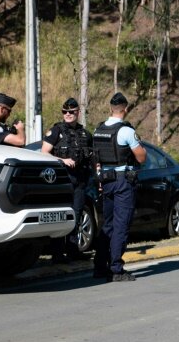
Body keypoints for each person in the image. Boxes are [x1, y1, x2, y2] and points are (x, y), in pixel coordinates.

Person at [91, 92, 146, 282]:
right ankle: (116, 269)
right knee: (121, 225)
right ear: (126, 109)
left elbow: (96, 159)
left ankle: (100, 266)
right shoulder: (126, 131)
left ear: (110, 108)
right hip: (123, 181)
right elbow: (141, 157)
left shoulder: (98, 130)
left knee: (107, 225)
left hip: (106, 181)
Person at [42, 97, 93, 263]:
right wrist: (63, 161)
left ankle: (73, 250)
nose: (68, 114)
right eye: (65, 112)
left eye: (71, 112)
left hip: (80, 179)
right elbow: (44, 153)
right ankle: (57, 254)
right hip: (63, 179)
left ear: (78, 112)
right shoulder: (57, 130)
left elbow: (92, 156)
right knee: (62, 215)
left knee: (76, 215)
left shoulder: (85, 133)